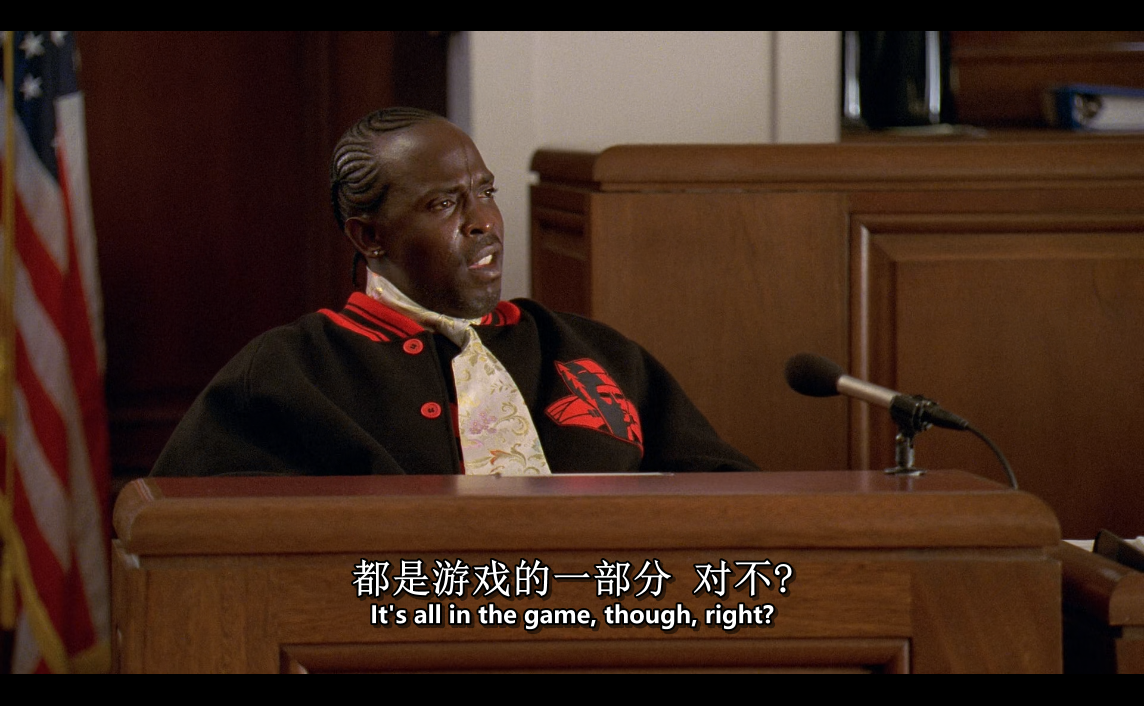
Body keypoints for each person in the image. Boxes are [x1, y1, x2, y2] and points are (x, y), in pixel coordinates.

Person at [151, 107, 757, 476]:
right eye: (444, 204)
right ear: (369, 236)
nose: (484, 222)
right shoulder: (289, 372)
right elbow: (186, 538)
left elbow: (734, 498)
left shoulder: (596, 351)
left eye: (485, 192)